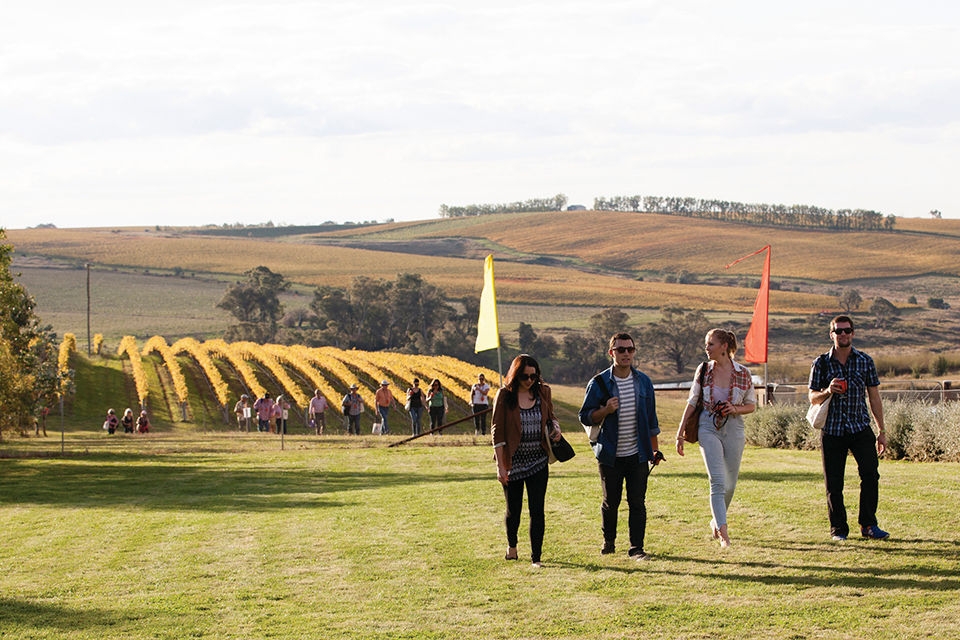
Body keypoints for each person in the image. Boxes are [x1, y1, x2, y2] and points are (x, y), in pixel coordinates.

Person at [579, 332, 663, 561]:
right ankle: (609, 542)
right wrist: (605, 410)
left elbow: (651, 421)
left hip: (638, 454)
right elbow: (585, 417)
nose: (626, 354)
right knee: (611, 502)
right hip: (609, 454)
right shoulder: (598, 383)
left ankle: (637, 548)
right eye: (621, 350)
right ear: (611, 353)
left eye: (630, 349)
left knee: (637, 502)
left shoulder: (644, 381)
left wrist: (654, 451)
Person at [808, 315, 889, 541]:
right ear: (831, 334)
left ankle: (868, 525)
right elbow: (812, 397)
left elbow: (874, 397)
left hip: (860, 427)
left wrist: (881, 431)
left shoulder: (865, 361)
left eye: (847, 330)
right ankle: (839, 530)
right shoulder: (821, 363)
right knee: (834, 483)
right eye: (838, 331)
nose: (843, 334)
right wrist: (828, 390)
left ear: (853, 333)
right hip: (832, 430)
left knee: (871, 476)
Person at [675, 329, 756, 548]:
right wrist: (680, 432)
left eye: (710, 344)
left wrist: (734, 408)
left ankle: (715, 520)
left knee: (730, 483)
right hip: (707, 425)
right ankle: (723, 532)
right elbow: (692, 401)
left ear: (723, 346)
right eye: (706, 344)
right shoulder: (703, 370)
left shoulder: (743, 373)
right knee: (717, 481)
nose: (706, 348)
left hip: (734, 427)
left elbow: (751, 405)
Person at [491, 354, 562, 567]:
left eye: (533, 376)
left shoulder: (543, 392)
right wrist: (501, 467)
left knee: (537, 509)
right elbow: (497, 431)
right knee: (513, 510)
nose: (529, 381)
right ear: (515, 375)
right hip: (513, 461)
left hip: (538, 459)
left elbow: (551, 417)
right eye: (524, 376)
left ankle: (536, 557)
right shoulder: (504, 395)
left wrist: (556, 428)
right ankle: (512, 547)